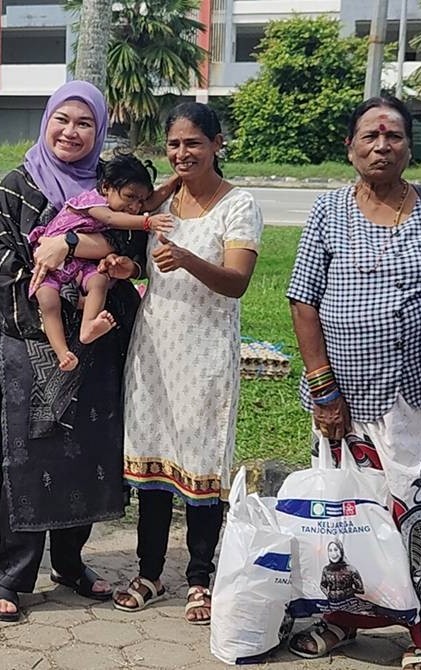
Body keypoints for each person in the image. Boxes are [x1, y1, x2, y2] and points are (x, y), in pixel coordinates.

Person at [0, 81, 173, 622]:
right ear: (46, 122)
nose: (71, 131)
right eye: (62, 119)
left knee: (85, 454)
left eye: (84, 122)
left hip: (98, 341)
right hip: (32, 344)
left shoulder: (111, 186)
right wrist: (50, 333)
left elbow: (131, 250)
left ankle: (70, 561)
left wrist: (68, 244)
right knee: (28, 457)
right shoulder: (18, 186)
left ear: (100, 130)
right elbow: (2, 265)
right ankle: (12, 575)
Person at [286, 95, 421, 669]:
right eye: (369, 136)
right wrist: (324, 391)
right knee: (346, 512)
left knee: (417, 509)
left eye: (393, 135)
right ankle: (342, 620)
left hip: (419, 394)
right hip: (345, 396)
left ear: (409, 146)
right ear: (350, 147)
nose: (381, 145)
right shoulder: (329, 210)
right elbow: (302, 300)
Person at [112, 102, 262, 625]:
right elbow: (128, 222)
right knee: (153, 462)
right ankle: (150, 572)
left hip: (205, 353)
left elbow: (238, 281)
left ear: (218, 144)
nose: (182, 153)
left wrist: (188, 260)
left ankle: (200, 579)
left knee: (201, 468)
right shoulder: (166, 198)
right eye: (174, 144)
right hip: (154, 347)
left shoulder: (238, 205)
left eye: (193, 143)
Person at [30, 152, 175, 371]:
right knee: (48, 302)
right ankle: (62, 352)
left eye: (141, 201)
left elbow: (153, 199)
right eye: (130, 197)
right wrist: (147, 222)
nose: (136, 207)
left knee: (98, 280)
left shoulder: (123, 202)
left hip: (80, 263)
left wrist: (177, 177)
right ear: (106, 187)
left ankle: (88, 326)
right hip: (50, 264)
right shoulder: (93, 201)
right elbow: (111, 219)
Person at [320, 540, 365, 604]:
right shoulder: (326, 569)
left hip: (349, 604)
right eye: (330, 550)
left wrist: (347, 592)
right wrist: (329, 594)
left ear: (341, 551)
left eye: (336, 550)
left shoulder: (351, 569)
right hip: (332, 604)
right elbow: (322, 585)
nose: (333, 553)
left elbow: (361, 589)